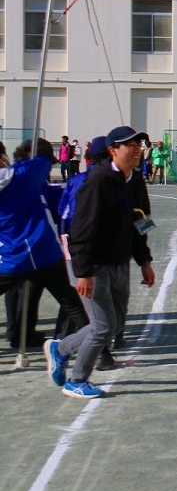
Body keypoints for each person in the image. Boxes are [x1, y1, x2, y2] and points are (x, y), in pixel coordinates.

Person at [45, 126, 158, 400]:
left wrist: (144, 261)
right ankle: (77, 380)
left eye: (138, 144)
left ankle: (59, 350)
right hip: (91, 266)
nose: (135, 149)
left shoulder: (136, 181)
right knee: (103, 327)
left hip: (119, 262)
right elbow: (81, 231)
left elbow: (141, 222)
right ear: (113, 150)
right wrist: (83, 272)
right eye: (128, 145)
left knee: (115, 325)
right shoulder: (98, 182)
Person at [1, 140, 88, 356]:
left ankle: (21, 333)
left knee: (26, 296)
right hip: (43, 252)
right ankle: (99, 349)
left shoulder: (22, 172)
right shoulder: (24, 174)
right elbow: (42, 161)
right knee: (71, 301)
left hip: (12, 258)